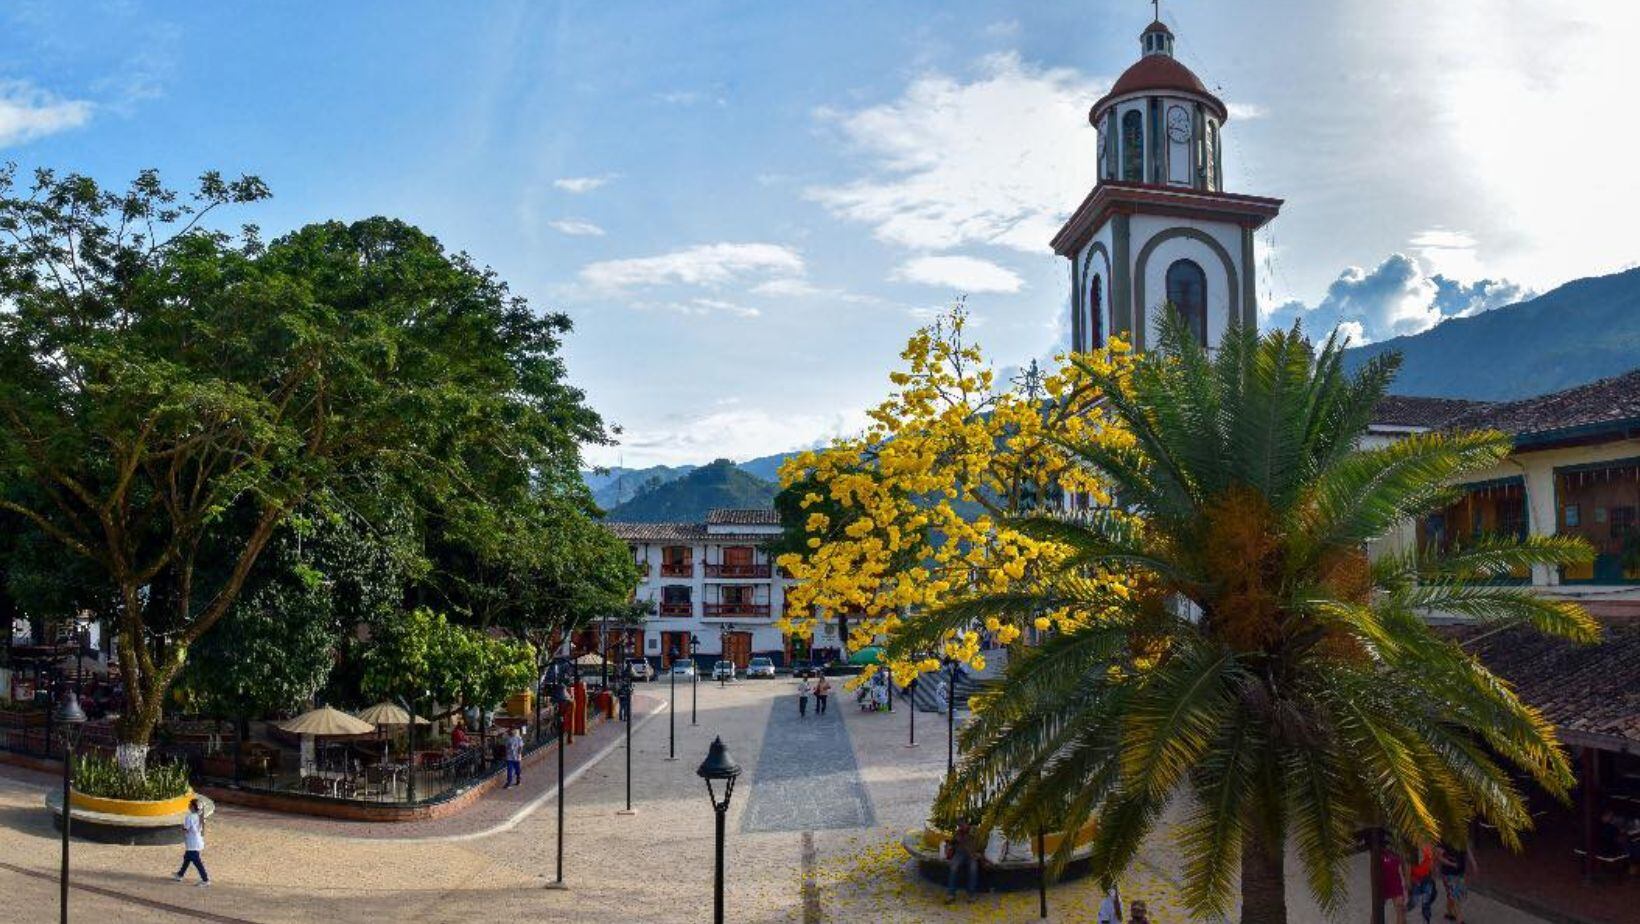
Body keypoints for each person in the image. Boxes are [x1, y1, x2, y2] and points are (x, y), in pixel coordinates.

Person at [173, 798, 210, 887]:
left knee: (196, 861)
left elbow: (186, 829)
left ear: (193, 807)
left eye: (190, 804)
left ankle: (205, 880)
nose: (188, 805)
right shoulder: (200, 816)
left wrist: (180, 829)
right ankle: (180, 874)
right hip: (197, 840)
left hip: (192, 842)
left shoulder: (189, 817)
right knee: (187, 858)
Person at [1437, 840, 1475, 923]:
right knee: (1455, 896)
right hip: (1449, 873)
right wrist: (1452, 864)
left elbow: (1467, 849)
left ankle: (1449, 913)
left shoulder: (1460, 836)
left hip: (1460, 872)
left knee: (1452, 895)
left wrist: (1473, 862)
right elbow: (1439, 857)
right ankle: (1460, 920)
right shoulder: (1444, 840)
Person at [944, 821, 979, 902]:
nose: (961, 827)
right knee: (953, 867)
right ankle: (951, 894)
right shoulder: (958, 833)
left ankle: (971, 894)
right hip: (960, 853)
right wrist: (951, 845)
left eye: (962, 825)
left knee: (973, 868)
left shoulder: (974, 831)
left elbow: (977, 843)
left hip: (972, 854)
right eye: (959, 825)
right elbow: (952, 843)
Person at [1406, 841, 1437, 923]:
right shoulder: (1412, 849)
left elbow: (1431, 863)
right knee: (1414, 901)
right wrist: (1408, 881)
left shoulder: (1428, 847)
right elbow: (1408, 866)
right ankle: (1404, 914)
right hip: (1416, 880)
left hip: (1426, 879)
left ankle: (1426, 921)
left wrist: (1433, 877)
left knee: (1425, 903)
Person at [1381, 844, 1407, 924]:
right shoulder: (1380, 853)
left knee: (1400, 909)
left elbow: (1401, 872)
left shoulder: (1398, 855)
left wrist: (1404, 889)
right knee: (1377, 910)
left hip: (1396, 884)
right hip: (1384, 885)